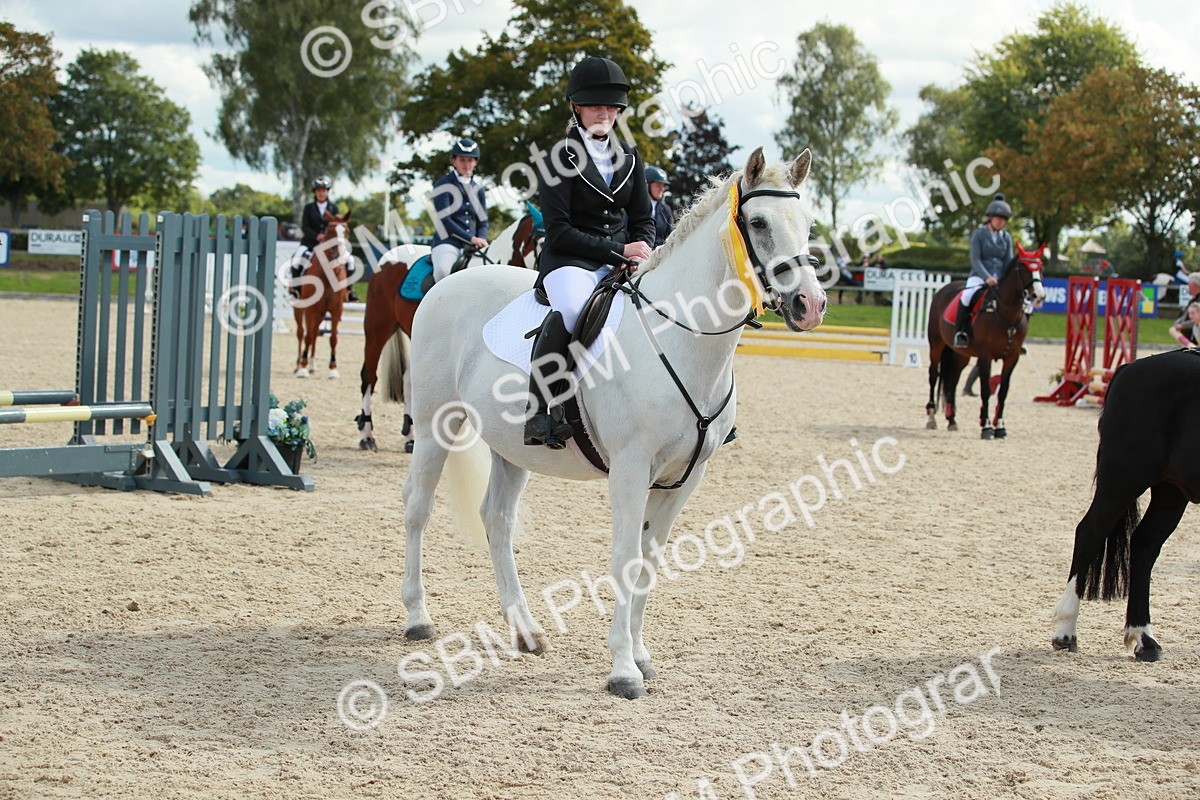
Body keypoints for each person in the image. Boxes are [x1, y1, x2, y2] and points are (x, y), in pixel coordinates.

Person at [524, 55, 655, 449]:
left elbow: (642, 219)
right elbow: (560, 232)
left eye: (611, 107)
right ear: (576, 108)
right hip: (571, 261)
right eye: (596, 106)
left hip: (622, 260)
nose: (604, 114)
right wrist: (619, 249)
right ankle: (539, 411)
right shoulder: (555, 160)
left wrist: (641, 250)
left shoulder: (630, 158)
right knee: (573, 308)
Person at [955, 194, 1014, 348]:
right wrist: (986, 277)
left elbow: (1008, 260)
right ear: (990, 218)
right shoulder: (979, 234)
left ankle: (1014, 336)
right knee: (967, 295)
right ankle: (960, 332)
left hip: (1000, 278)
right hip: (980, 276)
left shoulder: (1006, 238)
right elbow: (975, 259)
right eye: (998, 218)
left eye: (1003, 219)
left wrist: (1006, 279)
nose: (1000, 221)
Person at [430, 138, 489, 283]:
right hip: (448, 242)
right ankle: (438, 305)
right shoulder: (443, 184)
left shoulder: (478, 190)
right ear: (454, 161)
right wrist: (471, 238)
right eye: (462, 160)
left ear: (475, 162)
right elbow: (445, 221)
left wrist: (481, 239)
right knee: (442, 271)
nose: (466, 164)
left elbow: (483, 221)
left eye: (470, 160)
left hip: (473, 246)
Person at [291, 175, 343, 299]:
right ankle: (296, 290)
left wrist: (326, 236)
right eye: (319, 190)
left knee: (350, 261)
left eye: (324, 190)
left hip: (329, 245)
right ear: (315, 192)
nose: (321, 193)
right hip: (310, 243)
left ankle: (348, 291)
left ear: (327, 191)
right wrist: (316, 236)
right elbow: (305, 226)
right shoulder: (309, 208)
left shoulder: (334, 208)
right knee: (297, 259)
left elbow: (337, 227)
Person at [645, 165, 673, 248]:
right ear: (647, 185)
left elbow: (670, 235)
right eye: (658, 185)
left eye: (663, 185)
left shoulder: (666, 210)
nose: (662, 189)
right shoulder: (634, 207)